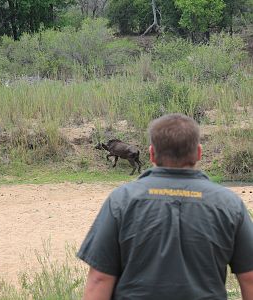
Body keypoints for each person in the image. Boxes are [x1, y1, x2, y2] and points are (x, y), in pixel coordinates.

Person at [77, 113, 253, 300]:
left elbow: (99, 279)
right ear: (199, 153)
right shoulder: (229, 203)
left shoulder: (121, 200)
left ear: (152, 154)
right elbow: (249, 278)